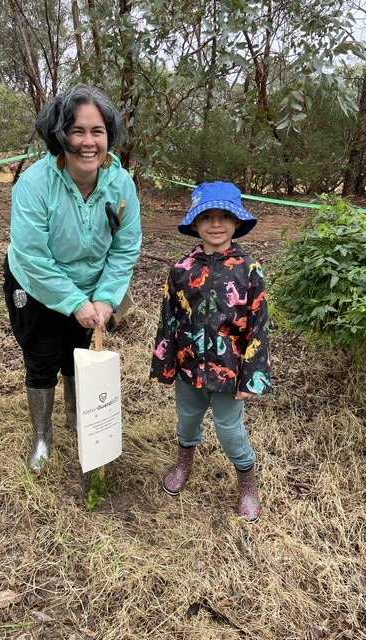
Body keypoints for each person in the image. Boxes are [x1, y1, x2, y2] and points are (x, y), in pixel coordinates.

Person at [4, 83, 142, 472]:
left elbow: (125, 247)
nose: (88, 142)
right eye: (77, 131)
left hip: (92, 287)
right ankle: (42, 437)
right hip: (35, 283)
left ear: (108, 136)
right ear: (59, 134)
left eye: (97, 131)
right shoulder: (35, 184)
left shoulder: (121, 184)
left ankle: (76, 418)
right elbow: (32, 255)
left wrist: (105, 298)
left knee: (78, 356)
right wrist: (75, 303)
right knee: (43, 357)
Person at [149, 181, 270, 522]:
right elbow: (169, 319)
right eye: (207, 217)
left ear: (236, 223)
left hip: (228, 370)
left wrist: (252, 376)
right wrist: (165, 364)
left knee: (228, 428)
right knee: (187, 420)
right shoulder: (181, 269)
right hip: (188, 365)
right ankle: (183, 461)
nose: (215, 224)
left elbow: (258, 327)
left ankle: (246, 477)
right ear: (195, 223)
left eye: (224, 216)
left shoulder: (249, 270)